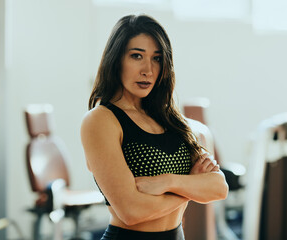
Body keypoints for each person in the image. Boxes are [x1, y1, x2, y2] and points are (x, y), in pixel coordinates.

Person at [80, 14, 228, 240]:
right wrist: (191, 188)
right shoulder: (101, 120)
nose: (148, 69)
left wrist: (168, 182)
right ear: (116, 59)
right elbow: (131, 211)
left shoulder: (171, 119)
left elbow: (219, 187)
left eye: (157, 58)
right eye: (137, 56)